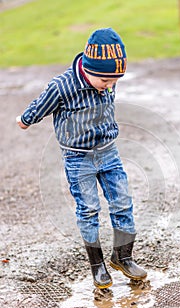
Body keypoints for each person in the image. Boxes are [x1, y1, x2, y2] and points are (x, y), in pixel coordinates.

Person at [16, 28, 147, 289]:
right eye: (105, 81)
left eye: (114, 81)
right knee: (88, 209)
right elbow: (41, 104)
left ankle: (123, 257)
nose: (109, 86)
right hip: (79, 158)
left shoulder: (108, 78)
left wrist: (108, 83)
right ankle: (97, 265)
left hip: (109, 152)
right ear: (89, 69)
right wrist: (25, 119)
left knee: (122, 202)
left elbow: (109, 82)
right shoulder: (62, 86)